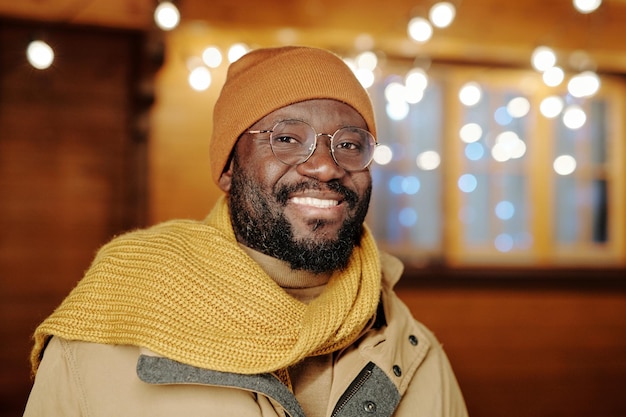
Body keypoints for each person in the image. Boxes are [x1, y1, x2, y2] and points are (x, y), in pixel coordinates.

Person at [23, 46, 468, 417]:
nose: (326, 166)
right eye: (288, 138)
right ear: (229, 169)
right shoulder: (107, 329)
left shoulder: (414, 354)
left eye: (350, 145)